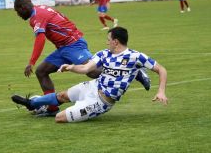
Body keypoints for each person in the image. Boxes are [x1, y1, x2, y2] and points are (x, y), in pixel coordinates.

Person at [11, 26, 168, 123]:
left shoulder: (136, 56)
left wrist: (161, 91)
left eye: (109, 40)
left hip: (100, 102)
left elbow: (162, 69)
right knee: (62, 96)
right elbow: (86, 69)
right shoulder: (104, 53)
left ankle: (58, 106)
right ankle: (31, 103)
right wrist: (70, 67)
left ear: (116, 41)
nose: (107, 42)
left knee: (59, 118)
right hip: (93, 87)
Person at [13, 0, 102, 117]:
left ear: (22, 7)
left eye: (18, 12)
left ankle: (122, 70)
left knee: (92, 71)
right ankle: (52, 108)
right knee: (41, 71)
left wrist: (31, 62)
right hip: (63, 48)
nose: (18, 15)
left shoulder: (37, 16)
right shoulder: (40, 10)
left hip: (73, 44)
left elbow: (40, 39)